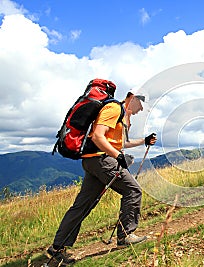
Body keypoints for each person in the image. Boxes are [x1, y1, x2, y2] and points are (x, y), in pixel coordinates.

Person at [47, 82, 156, 265]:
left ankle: (57, 248)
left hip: (93, 161)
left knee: (83, 205)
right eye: (141, 102)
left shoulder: (120, 114)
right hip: (102, 160)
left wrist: (143, 141)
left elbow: (119, 143)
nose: (141, 108)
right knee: (133, 190)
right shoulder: (114, 108)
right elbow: (98, 136)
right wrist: (117, 156)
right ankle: (126, 236)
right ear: (132, 97)